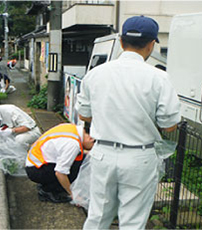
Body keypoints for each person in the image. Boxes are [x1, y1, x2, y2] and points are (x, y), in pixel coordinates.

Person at [76, 16, 181, 229]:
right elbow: (169, 125)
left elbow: (84, 116)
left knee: (97, 216)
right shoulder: (159, 78)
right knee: (132, 222)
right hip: (139, 157)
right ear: (151, 44)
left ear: (122, 42)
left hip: (103, 153)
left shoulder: (95, 74)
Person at [25, 123, 94, 203]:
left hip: (35, 164)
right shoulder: (73, 143)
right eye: (92, 146)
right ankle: (48, 190)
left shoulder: (72, 129)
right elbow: (60, 173)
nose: (91, 149)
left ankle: (48, 184)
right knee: (79, 165)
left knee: (80, 157)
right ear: (91, 138)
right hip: (37, 170)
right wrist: (73, 195)